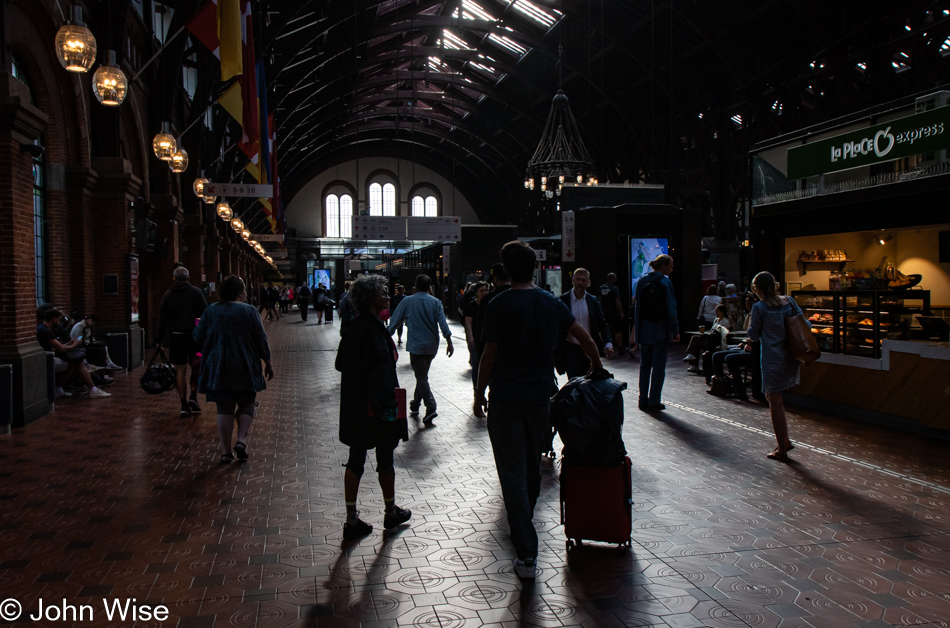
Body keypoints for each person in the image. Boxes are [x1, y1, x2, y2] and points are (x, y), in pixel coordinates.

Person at [474, 241, 601, 580]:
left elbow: (488, 355)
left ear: (505, 268)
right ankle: (523, 525)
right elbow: (583, 337)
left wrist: (478, 393)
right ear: (535, 268)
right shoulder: (549, 302)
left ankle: (527, 552)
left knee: (512, 472)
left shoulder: (500, 304)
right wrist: (597, 366)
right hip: (540, 400)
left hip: (505, 400)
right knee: (531, 471)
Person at [335, 274, 412, 540]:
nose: (389, 295)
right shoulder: (373, 330)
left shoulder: (356, 327)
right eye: (383, 291)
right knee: (385, 458)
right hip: (380, 407)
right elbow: (379, 372)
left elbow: (340, 364)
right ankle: (390, 512)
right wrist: (390, 408)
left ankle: (351, 518)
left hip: (357, 408)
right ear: (370, 298)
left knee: (356, 458)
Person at [193, 276, 273, 464]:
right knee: (247, 401)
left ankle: (225, 452)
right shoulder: (250, 311)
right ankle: (242, 440)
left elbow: (197, 337)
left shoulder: (211, 311)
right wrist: (268, 363)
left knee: (224, 407)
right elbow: (261, 340)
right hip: (245, 363)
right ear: (240, 293)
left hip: (218, 365)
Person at [748, 271, 806, 462]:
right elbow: (803, 323)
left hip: (772, 359)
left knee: (775, 401)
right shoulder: (789, 302)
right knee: (775, 397)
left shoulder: (760, 308)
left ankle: (782, 446)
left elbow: (754, 335)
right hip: (790, 355)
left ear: (758, 289)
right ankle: (784, 441)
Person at [386, 274, 454, 424]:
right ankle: (415, 404)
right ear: (429, 287)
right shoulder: (435, 302)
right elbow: (443, 324)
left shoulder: (407, 301)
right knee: (422, 375)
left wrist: (386, 336)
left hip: (416, 346)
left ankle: (431, 407)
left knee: (421, 376)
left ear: (416, 285)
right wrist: (449, 341)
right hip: (431, 346)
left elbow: (395, 322)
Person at [155, 266, 208, 417]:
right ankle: (193, 396)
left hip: (176, 336)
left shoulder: (168, 295)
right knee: (196, 365)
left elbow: (162, 318)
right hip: (194, 337)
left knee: (180, 370)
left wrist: (158, 339)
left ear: (173, 278)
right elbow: (204, 314)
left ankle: (183, 404)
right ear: (188, 278)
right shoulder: (196, 292)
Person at [633, 254, 680, 411]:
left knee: (644, 366)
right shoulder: (666, 283)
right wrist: (675, 330)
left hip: (644, 330)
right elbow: (671, 309)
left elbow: (637, 307)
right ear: (664, 266)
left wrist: (636, 331)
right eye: (671, 266)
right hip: (660, 330)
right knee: (659, 367)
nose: (672, 269)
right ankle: (654, 400)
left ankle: (642, 399)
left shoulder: (642, 281)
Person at [37, 308, 111, 398]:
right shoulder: (46, 331)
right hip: (48, 360)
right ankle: (93, 389)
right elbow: (60, 349)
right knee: (78, 362)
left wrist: (69, 343)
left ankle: (60, 388)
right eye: (59, 319)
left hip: (49, 357)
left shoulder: (44, 329)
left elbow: (57, 346)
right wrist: (74, 345)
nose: (59, 322)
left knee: (76, 363)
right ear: (54, 319)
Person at [558, 268, 613, 379]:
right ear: (573, 280)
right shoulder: (563, 300)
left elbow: (602, 322)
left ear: (588, 282)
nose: (580, 283)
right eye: (578, 279)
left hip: (589, 349)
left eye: (583, 280)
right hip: (570, 348)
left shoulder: (593, 301)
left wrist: (608, 342)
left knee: (589, 381)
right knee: (574, 382)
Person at [684, 304, 730, 373]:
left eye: (717, 311)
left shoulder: (725, 322)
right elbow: (712, 330)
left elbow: (722, 332)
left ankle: (691, 355)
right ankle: (693, 361)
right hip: (710, 338)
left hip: (716, 340)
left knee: (696, 341)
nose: (716, 313)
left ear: (722, 312)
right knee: (695, 338)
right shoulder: (716, 320)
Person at [463, 281, 490, 391]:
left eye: (486, 290)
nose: (484, 293)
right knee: (476, 364)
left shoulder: (490, 304)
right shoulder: (472, 306)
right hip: (475, 339)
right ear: (476, 293)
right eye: (482, 291)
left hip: (487, 340)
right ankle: (477, 388)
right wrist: (471, 338)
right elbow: (468, 323)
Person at [599, 272, 625, 352]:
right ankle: (620, 348)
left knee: (602, 330)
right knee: (617, 330)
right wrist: (621, 312)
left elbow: (599, 300)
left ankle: (601, 347)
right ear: (613, 279)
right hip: (614, 313)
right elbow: (617, 301)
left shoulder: (601, 288)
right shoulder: (614, 289)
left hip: (604, 312)